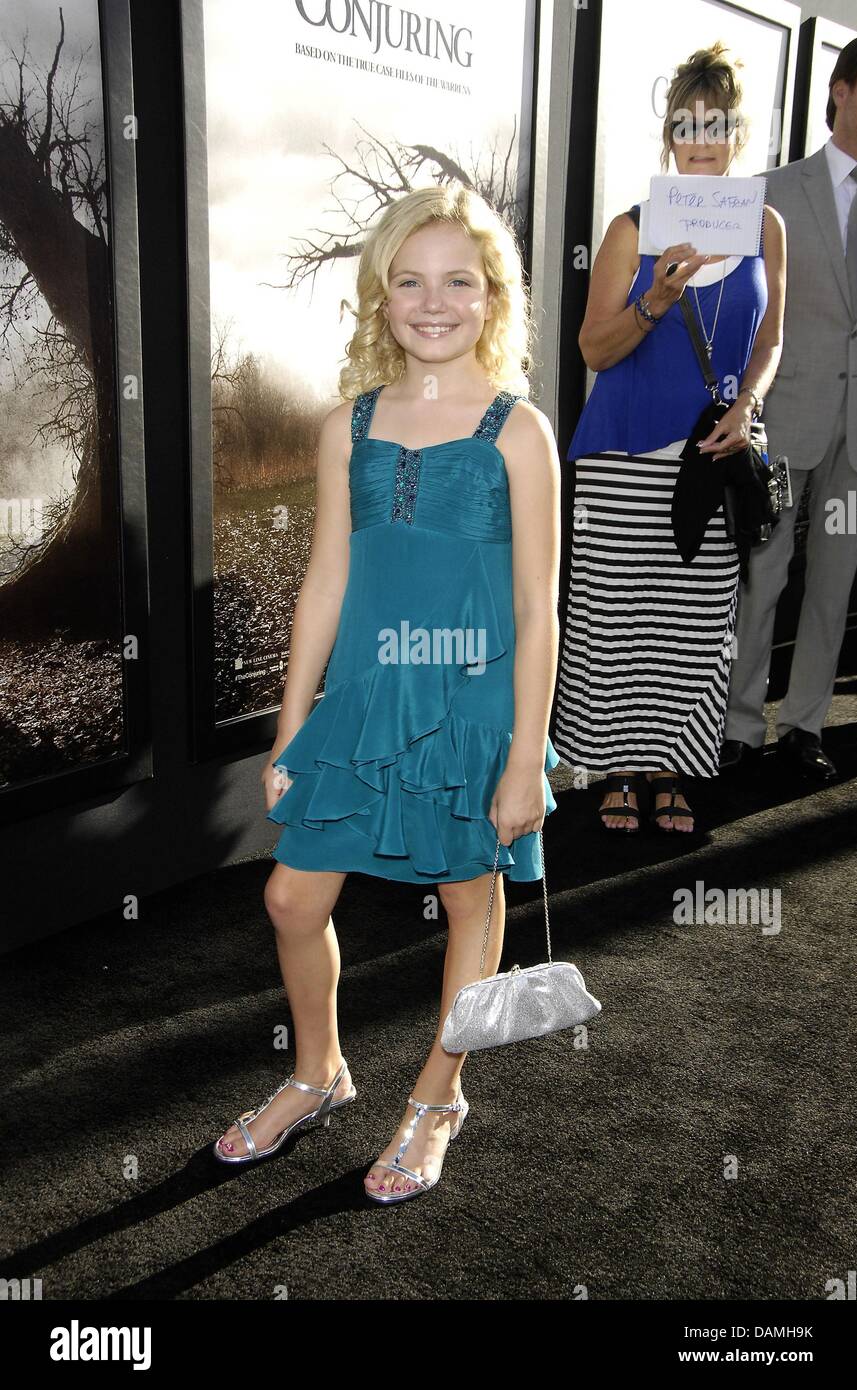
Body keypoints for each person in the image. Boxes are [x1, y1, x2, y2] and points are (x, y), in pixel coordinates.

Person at [212, 186, 562, 1203]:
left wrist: (522, 758)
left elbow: (539, 610)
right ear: (380, 298)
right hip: (362, 704)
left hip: (473, 710)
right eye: (408, 280)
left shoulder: (517, 430)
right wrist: (288, 728)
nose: (432, 300)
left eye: (458, 279)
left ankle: (437, 1096)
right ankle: (318, 1071)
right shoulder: (345, 425)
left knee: (466, 897)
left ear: (492, 297)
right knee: (289, 893)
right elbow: (324, 580)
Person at [553, 43, 785, 834]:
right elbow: (592, 350)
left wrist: (748, 403)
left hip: (712, 456)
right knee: (616, 616)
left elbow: (770, 338)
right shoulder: (630, 226)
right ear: (668, 133)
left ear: (736, 134)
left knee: (691, 624)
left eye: (715, 123)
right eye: (685, 122)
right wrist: (653, 297)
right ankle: (615, 769)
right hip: (622, 454)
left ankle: (670, 769)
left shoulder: (765, 226)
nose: (700, 137)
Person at [720, 35, 857, 783]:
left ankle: (804, 723)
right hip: (783, 414)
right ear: (839, 89)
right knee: (763, 575)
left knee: (834, 584)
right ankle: (739, 724)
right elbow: (739, 305)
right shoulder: (770, 190)